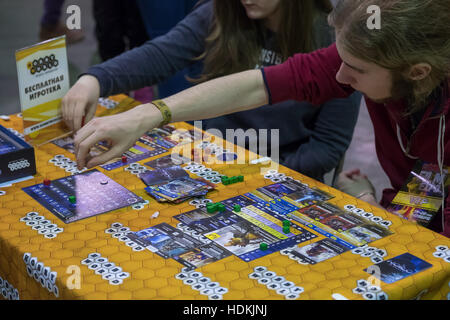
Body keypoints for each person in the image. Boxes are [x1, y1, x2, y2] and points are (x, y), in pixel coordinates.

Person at [69, 0, 450, 237]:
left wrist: (377, 209)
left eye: (356, 70)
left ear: (417, 72)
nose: (340, 79)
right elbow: (258, 84)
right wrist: (149, 114)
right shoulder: (378, 62)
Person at [61, 0, 360, 182]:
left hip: (273, 174)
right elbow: (162, 54)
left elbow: (327, 148)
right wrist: (95, 79)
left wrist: (245, 171)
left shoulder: (334, 42)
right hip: (204, 163)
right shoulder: (223, 14)